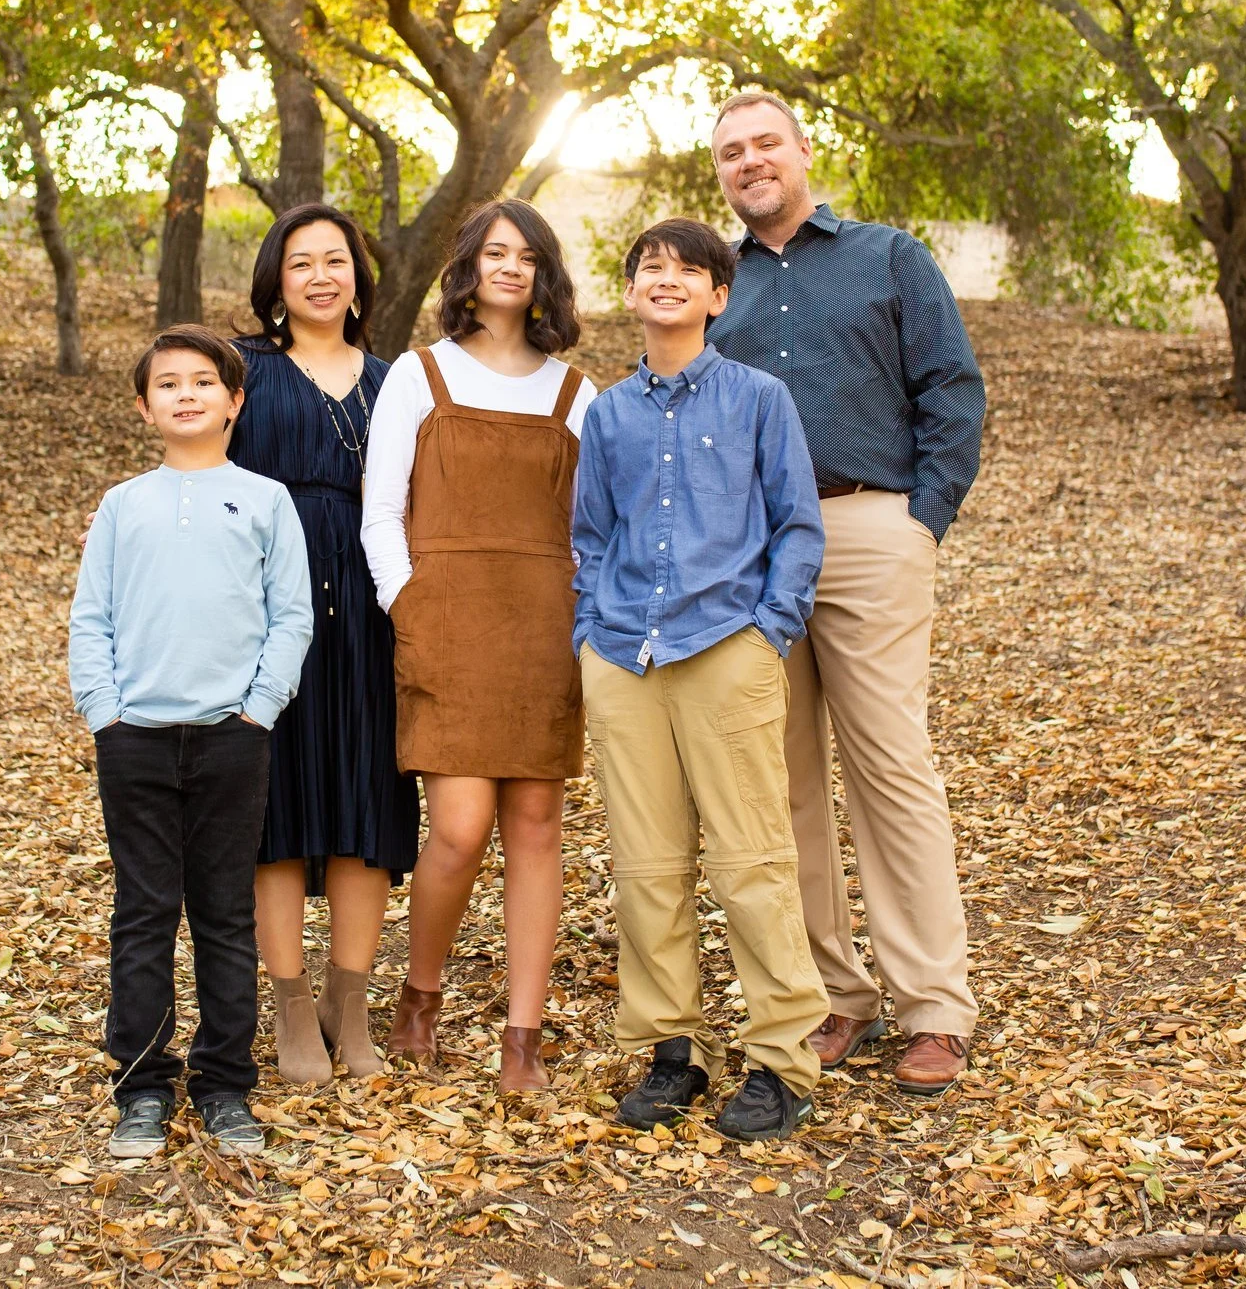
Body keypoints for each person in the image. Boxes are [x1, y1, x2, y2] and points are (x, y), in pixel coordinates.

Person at [703, 90, 988, 1096]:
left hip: (870, 528)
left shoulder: (888, 257)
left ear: (803, 150)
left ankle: (934, 1005)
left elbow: (950, 386)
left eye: (765, 143)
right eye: (731, 152)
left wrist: (922, 518)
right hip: (753, 554)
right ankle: (832, 993)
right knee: (779, 780)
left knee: (890, 766)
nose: (750, 161)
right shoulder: (713, 282)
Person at [573, 219, 830, 1141]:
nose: (668, 279)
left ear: (719, 296)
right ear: (631, 291)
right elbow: (590, 537)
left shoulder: (760, 398)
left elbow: (797, 525)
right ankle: (671, 1049)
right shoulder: (607, 414)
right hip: (624, 657)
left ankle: (782, 1059)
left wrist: (769, 632)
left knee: (751, 859)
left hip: (728, 646)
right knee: (646, 865)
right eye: (651, 266)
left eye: (690, 269)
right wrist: (589, 637)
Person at [359, 197, 598, 1091]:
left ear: (545, 276)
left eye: (527, 256)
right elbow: (381, 512)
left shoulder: (577, 393)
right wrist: (410, 602)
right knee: (458, 829)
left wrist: (579, 615)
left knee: (536, 826)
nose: (510, 267)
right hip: (446, 623)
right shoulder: (418, 376)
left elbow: (592, 527)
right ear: (468, 266)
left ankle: (521, 1038)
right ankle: (419, 996)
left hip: (544, 627)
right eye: (495, 252)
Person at [67, 325, 313, 1159]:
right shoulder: (123, 504)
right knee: (143, 913)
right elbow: (91, 617)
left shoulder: (265, 499)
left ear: (234, 401)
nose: (185, 394)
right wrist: (105, 712)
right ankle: (141, 1086)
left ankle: (224, 1085)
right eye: (167, 383)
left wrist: (259, 709)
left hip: (231, 738)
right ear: (144, 407)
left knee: (223, 914)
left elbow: (291, 616)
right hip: (134, 737)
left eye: (203, 381)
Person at [227, 204, 414, 1084]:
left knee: (364, 805)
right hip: (268, 611)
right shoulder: (245, 373)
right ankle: (294, 1005)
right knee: (278, 810)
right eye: (300, 261)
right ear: (276, 279)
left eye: (334, 259)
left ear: (358, 278)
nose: (319, 276)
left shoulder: (394, 382)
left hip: (372, 615)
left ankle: (351, 999)